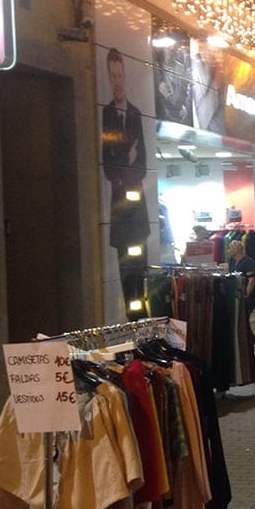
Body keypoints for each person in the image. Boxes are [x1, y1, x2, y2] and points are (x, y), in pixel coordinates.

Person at [101, 47, 149, 319]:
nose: (117, 81)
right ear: (109, 78)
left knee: (139, 274)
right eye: (113, 76)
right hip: (121, 212)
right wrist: (125, 158)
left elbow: (142, 165)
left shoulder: (136, 114)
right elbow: (107, 167)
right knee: (124, 274)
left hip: (137, 212)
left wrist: (129, 163)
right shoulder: (106, 114)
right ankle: (132, 322)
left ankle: (140, 320)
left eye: (120, 75)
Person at [227, 239, 255, 341]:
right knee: (243, 318)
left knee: (244, 317)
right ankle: (250, 338)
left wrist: (246, 295)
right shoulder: (232, 262)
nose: (228, 250)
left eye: (230, 248)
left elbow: (252, 281)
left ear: (236, 250)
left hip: (248, 296)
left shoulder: (248, 261)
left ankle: (250, 339)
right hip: (238, 294)